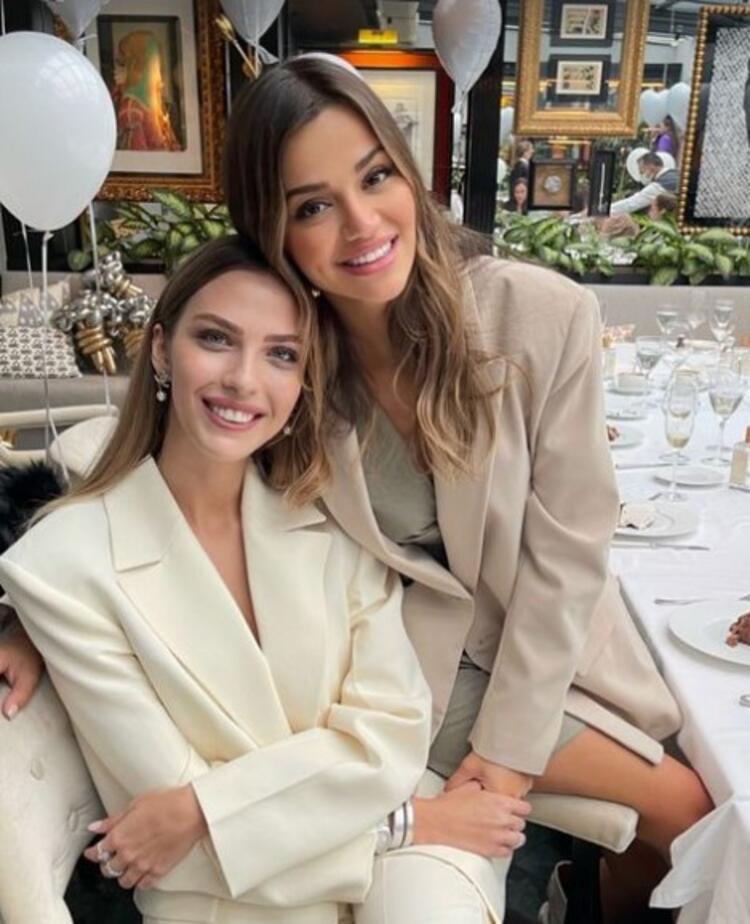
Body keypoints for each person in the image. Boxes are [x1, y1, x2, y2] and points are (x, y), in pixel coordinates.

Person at [3, 57, 713, 920]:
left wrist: (511, 753)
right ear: (275, 230)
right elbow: (150, 462)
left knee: (681, 824)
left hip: (551, 643)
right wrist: (32, 617)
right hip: (416, 671)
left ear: (408, 173)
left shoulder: (538, 316)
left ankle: (585, 894)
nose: (361, 223)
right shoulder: (290, 356)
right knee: (685, 816)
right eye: (312, 206)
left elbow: (568, 551)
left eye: (375, 177)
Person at [0, 237, 529, 924]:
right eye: (216, 339)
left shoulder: (335, 518)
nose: (244, 380)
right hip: (231, 905)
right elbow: (167, 846)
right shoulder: (62, 567)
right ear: (160, 350)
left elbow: (393, 736)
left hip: (388, 875)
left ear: (305, 381)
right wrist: (408, 824)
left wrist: (205, 809)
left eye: (282, 354)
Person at [610, 151, 678, 216]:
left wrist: (608, 209)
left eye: (642, 172)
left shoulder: (660, 185)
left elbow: (633, 203)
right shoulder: (676, 173)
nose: (642, 176)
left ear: (651, 167)